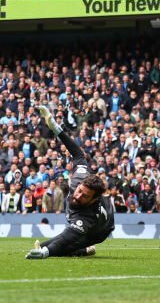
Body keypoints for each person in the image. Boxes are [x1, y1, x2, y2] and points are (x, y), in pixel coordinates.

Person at [25, 105, 114, 259]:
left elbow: (67, 237)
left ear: (94, 199)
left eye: (85, 196)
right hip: (94, 212)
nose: (78, 196)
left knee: (61, 247)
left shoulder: (87, 217)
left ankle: (85, 249)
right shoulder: (80, 176)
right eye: (80, 191)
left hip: (98, 231)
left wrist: (45, 252)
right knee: (46, 245)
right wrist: (54, 126)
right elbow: (78, 153)